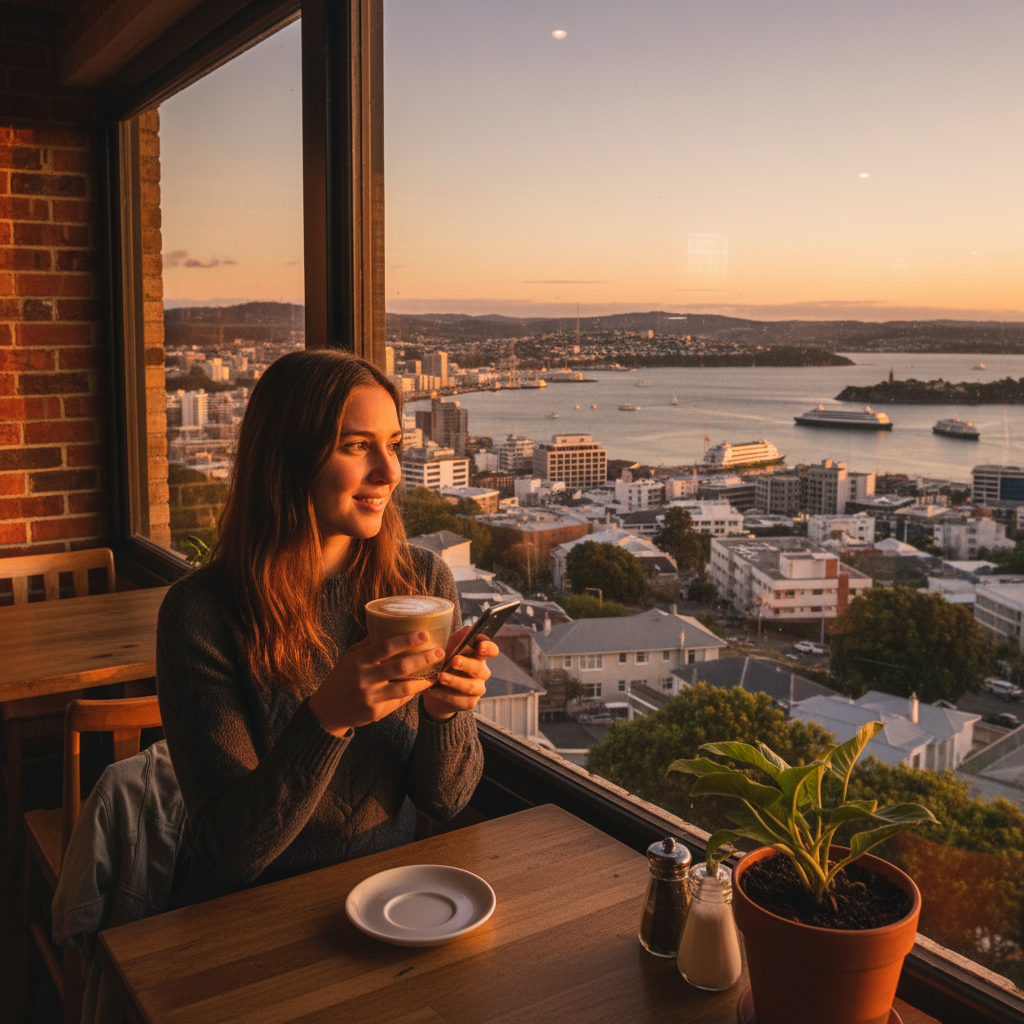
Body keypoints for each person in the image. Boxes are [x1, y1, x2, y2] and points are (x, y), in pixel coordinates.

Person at [156, 349, 495, 907]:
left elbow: (448, 799)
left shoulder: (421, 582)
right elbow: (229, 853)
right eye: (356, 446)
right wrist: (327, 718)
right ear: (287, 456)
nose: (389, 473)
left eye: (393, 445)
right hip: (244, 921)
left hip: (390, 902)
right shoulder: (201, 614)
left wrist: (445, 711)